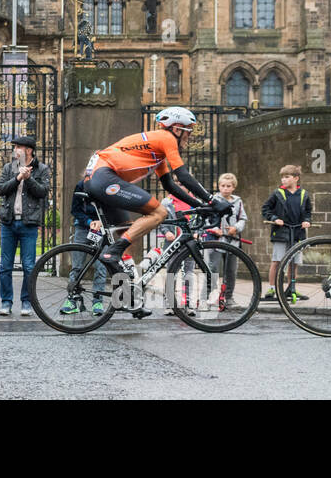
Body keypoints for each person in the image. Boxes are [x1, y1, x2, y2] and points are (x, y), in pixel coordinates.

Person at [88, 108, 232, 319]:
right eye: (188, 131)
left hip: (102, 179)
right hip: (105, 178)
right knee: (159, 212)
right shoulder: (166, 138)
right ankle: (112, 252)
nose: (189, 137)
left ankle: (128, 299)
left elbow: (171, 186)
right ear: (176, 128)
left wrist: (200, 205)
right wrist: (212, 200)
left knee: (129, 234)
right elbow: (182, 175)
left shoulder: (156, 152)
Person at [0, 135, 50, 316]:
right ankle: (6, 301)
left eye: (18, 147)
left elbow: (42, 192)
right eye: (14, 147)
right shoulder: (8, 168)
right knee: (5, 266)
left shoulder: (41, 169)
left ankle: (26, 302)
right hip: (8, 222)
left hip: (29, 224)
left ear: (29, 150)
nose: (15, 150)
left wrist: (29, 178)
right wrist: (18, 177)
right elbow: (0, 189)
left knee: (28, 266)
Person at [261, 166, 311, 302]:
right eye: (282, 177)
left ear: (296, 178)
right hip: (281, 233)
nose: (284, 179)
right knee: (277, 261)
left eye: (287, 177)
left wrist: (307, 221)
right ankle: (272, 287)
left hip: (297, 233)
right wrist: (274, 219)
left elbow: (308, 212)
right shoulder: (277, 193)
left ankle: (291, 286)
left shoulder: (304, 194)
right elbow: (266, 209)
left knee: (294, 262)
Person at [64, 166, 108, 316]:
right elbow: (75, 210)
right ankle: (72, 300)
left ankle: (98, 302)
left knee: (101, 268)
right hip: (83, 228)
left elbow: (114, 208)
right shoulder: (81, 185)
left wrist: (102, 222)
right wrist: (89, 221)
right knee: (77, 267)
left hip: (102, 229)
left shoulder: (109, 185)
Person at [206, 172, 248, 307]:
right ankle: (208, 297)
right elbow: (206, 219)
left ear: (233, 187)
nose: (225, 188)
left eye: (228, 186)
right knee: (213, 270)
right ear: (219, 186)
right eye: (223, 186)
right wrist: (213, 229)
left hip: (232, 241)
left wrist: (236, 228)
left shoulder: (238, 201)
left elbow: (243, 218)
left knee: (231, 271)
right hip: (216, 241)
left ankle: (228, 298)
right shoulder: (213, 200)